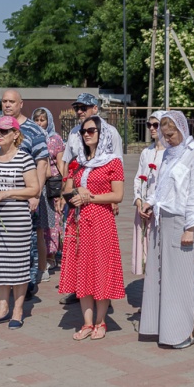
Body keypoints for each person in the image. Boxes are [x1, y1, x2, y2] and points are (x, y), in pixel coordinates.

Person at [139, 111, 194, 349]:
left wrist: (190, 228)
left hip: (182, 222)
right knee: (163, 278)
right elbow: (162, 186)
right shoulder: (169, 154)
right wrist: (150, 202)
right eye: (164, 135)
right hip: (163, 220)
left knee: (182, 279)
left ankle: (186, 331)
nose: (167, 139)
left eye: (171, 135)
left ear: (182, 130)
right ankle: (166, 328)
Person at [0, 90, 49, 300]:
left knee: (25, 242)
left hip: (22, 196)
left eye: (11, 101)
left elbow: (42, 163)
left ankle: (27, 283)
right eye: (4, 101)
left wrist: (35, 195)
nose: (7, 105)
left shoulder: (33, 130)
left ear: (21, 104)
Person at [59, 116, 126, 340]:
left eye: (91, 130)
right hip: (77, 222)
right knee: (82, 269)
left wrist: (90, 197)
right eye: (83, 131)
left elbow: (118, 195)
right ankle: (87, 323)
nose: (87, 134)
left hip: (101, 220)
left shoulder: (112, 162)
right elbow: (67, 190)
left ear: (102, 132)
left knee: (100, 269)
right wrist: (75, 194)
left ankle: (101, 321)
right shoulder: (77, 162)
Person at [0, 116, 40, 329]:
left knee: (18, 265)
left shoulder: (24, 158)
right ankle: (2, 309)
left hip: (16, 220)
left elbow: (34, 189)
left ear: (15, 134)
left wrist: (7, 193)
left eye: (4, 132)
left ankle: (18, 310)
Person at [32, 107, 65, 281]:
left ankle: (51, 255)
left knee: (52, 220)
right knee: (38, 222)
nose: (39, 123)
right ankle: (38, 255)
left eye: (42, 120)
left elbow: (60, 163)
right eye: (36, 120)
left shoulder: (55, 138)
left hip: (51, 184)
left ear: (48, 121)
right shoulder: (30, 137)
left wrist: (63, 187)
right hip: (35, 183)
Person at [132, 111, 165, 275]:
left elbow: (165, 183)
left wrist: (151, 203)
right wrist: (139, 201)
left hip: (159, 208)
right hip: (143, 209)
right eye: (149, 125)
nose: (151, 128)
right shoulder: (146, 152)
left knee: (158, 248)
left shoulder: (169, 153)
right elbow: (138, 177)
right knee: (145, 249)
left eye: (156, 125)